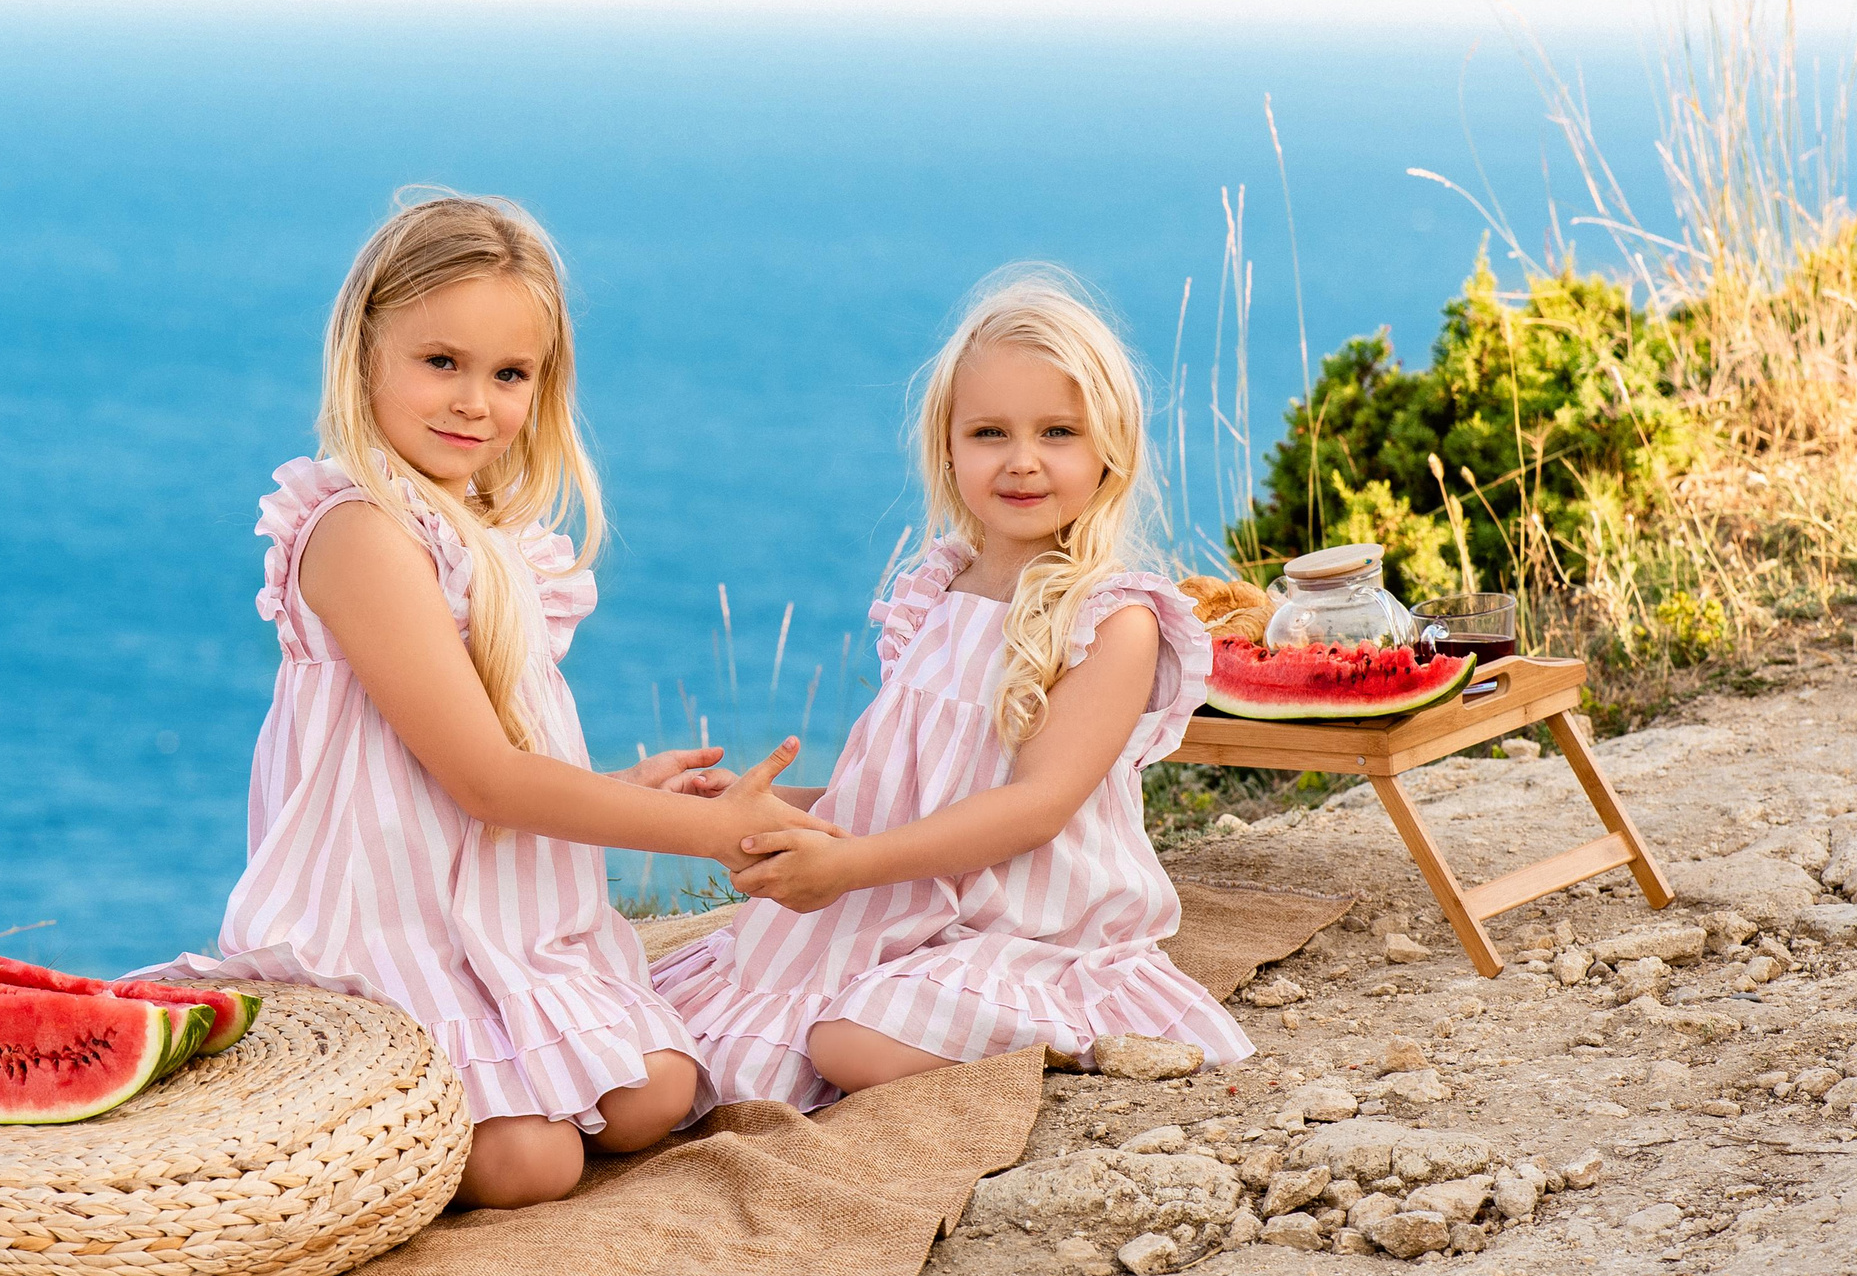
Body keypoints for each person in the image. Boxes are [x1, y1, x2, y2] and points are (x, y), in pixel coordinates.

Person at [145, 191, 834, 1207]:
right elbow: (482, 778)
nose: (475, 400)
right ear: (364, 350)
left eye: (509, 374)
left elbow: (457, 772)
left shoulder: (486, 533)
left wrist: (607, 789)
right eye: (441, 362)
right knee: (534, 1160)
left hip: (494, 918)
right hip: (383, 926)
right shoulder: (360, 536)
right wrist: (707, 836)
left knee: (656, 1093)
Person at [652, 269, 1253, 1121]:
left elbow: (1033, 809)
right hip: (903, 899)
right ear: (947, 448)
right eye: (988, 432)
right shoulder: (933, 592)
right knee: (722, 1041)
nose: (1022, 460)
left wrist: (849, 867)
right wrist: (758, 806)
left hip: (1027, 928)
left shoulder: (1113, 619)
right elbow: (906, 788)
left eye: (1057, 432)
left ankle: (1070, 1024)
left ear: (1109, 450)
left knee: (844, 1041)